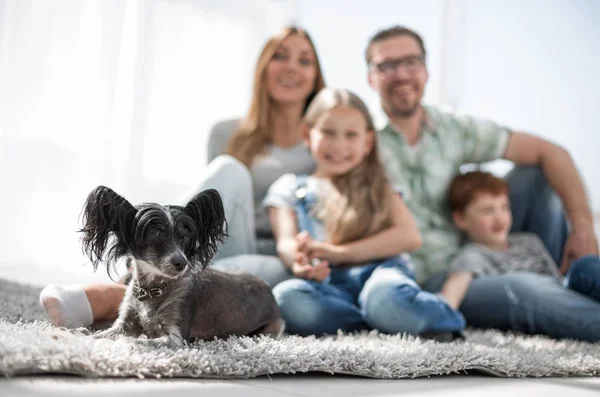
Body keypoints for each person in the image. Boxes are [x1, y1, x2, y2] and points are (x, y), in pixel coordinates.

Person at [39, 26, 326, 329]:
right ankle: (129, 290)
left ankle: (104, 300)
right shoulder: (227, 132)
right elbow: (207, 217)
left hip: (284, 255)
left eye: (304, 61)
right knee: (228, 169)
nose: (292, 67)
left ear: (316, 77)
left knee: (210, 280)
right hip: (221, 240)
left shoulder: (326, 143)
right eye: (280, 56)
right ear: (263, 67)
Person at [365, 25, 600, 341]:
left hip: (490, 256)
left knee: (537, 173)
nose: (402, 74)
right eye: (388, 65)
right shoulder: (357, 140)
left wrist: (583, 229)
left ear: (426, 70)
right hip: (435, 279)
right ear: (371, 77)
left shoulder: (452, 128)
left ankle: (564, 275)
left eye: (411, 62)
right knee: (523, 289)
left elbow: (552, 152)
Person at [263, 87, 466, 338]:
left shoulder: (380, 184)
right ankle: (380, 323)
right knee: (288, 298)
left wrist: (338, 253)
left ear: (367, 142)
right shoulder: (290, 187)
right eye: (328, 132)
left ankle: (433, 316)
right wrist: (300, 263)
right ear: (307, 133)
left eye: (351, 135)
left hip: (382, 276)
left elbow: (409, 236)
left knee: (383, 297)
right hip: (329, 288)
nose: (339, 145)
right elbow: (286, 242)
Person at [439, 171, 600, 340]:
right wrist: (440, 320)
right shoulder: (473, 254)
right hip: (548, 308)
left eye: (504, 207)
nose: (499, 217)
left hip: (563, 290)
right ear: (460, 219)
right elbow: (455, 287)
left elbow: (556, 277)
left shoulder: (528, 240)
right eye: (487, 211)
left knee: (586, 265)